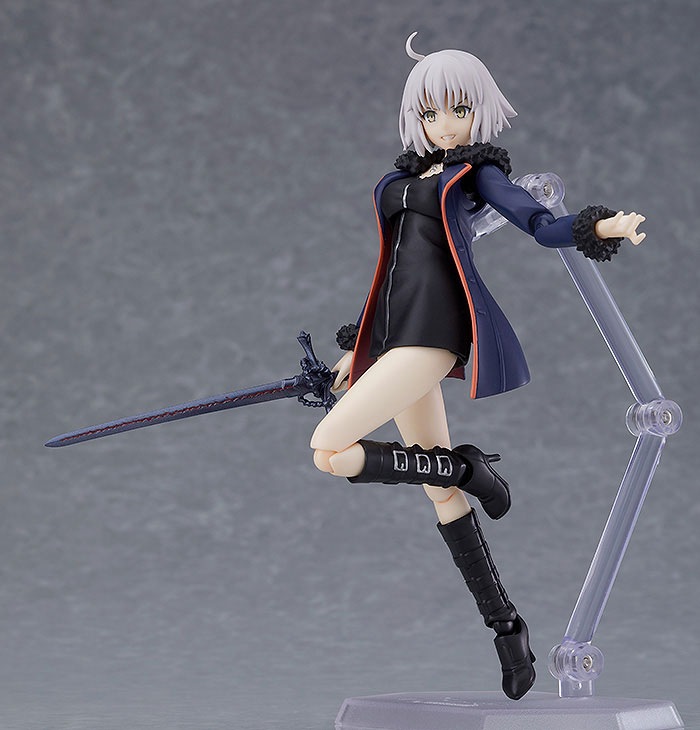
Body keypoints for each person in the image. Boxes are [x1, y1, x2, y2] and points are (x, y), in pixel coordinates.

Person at [310, 33, 645, 700]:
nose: (444, 123)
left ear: (478, 112)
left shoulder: (476, 176)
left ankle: (468, 467)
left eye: (458, 110)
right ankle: (506, 625)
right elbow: (394, 268)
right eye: (430, 112)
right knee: (440, 492)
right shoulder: (403, 180)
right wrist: (360, 347)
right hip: (396, 332)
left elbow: (539, 224)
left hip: (433, 335)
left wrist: (600, 227)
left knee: (329, 450)